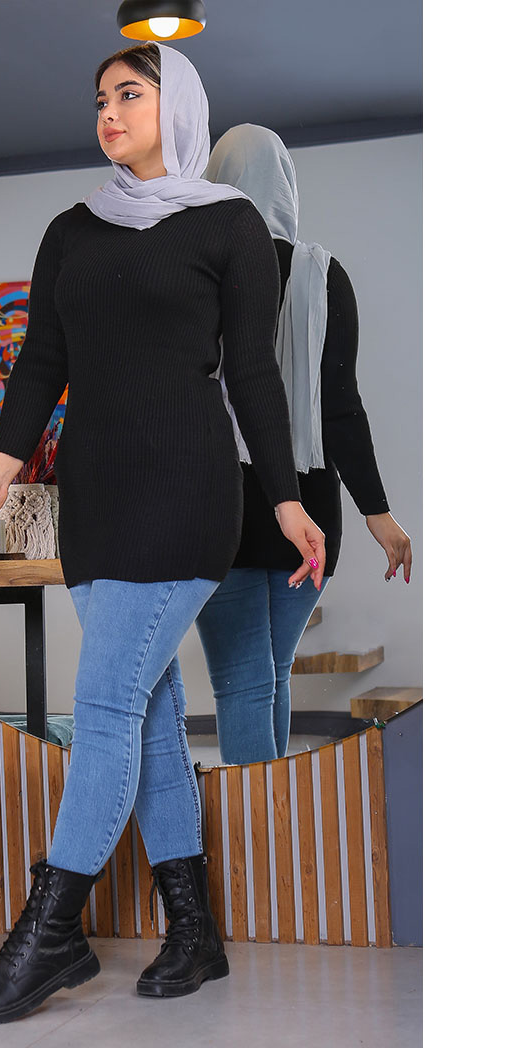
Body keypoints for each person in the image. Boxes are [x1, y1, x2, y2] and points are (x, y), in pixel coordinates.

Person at [0, 44, 325, 1025]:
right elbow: (40, 363)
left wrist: (285, 502)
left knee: (106, 703)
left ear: (178, 106)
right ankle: (194, 934)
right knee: (150, 714)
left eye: (130, 93)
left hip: (188, 489)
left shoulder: (229, 225)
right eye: (100, 99)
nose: (108, 111)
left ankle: (53, 932)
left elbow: (253, 375)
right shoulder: (72, 230)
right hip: (98, 498)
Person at [194, 124, 413, 766]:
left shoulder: (201, 267)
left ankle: (251, 819)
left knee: (243, 681)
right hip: (310, 507)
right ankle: (271, 813)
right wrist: (378, 512)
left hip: (222, 499)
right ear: (286, 185)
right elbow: (340, 406)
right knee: (273, 673)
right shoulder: (324, 275)